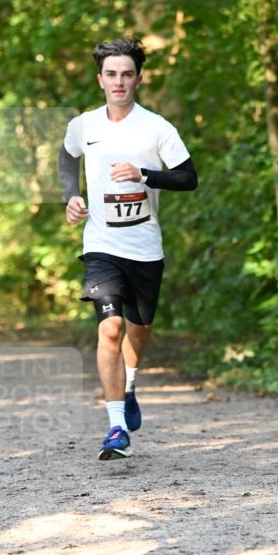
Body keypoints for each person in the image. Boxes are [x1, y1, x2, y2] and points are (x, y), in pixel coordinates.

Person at [59, 37, 197, 460]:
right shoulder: (83, 125)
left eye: (127, 74)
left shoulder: (157, 128)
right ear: (100, 79)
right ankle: (116, 428)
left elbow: (188, 178)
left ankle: (131, 385)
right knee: (110, 329)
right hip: (101, 244)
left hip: (145, 247)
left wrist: (145, 174)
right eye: (111, 74)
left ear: (138, 79)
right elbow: (67, 158)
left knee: (138, 329)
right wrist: (71, 194)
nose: (119, 82)